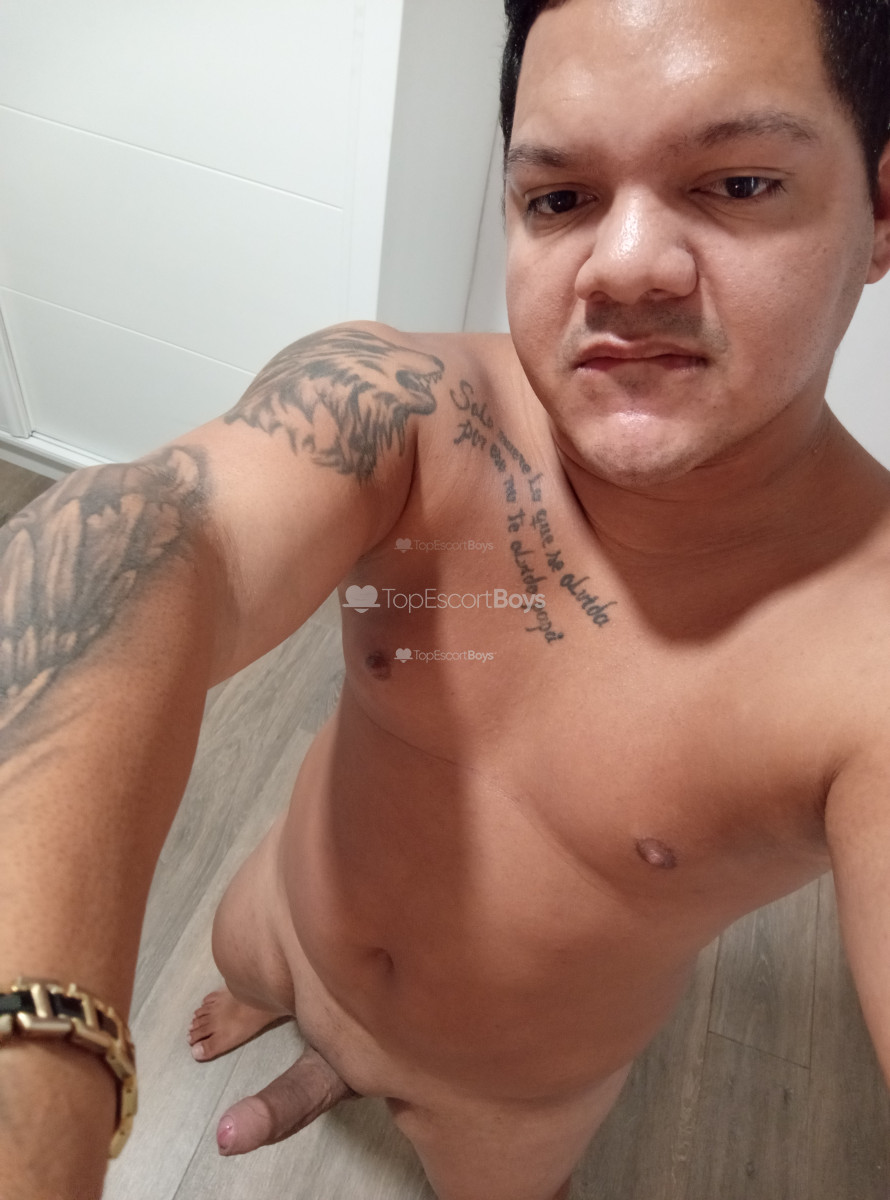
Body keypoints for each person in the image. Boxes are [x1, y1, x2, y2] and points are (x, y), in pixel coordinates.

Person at [3, 0, 890, 1195]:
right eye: (559, 199)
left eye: (735, 184)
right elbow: (133, 540)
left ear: (878, 208)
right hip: (281, 925)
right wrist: (34, 1071)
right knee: (241, 970)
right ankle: (282, 1013)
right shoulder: (413, 411)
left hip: (507, 1096)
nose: (621, 264)